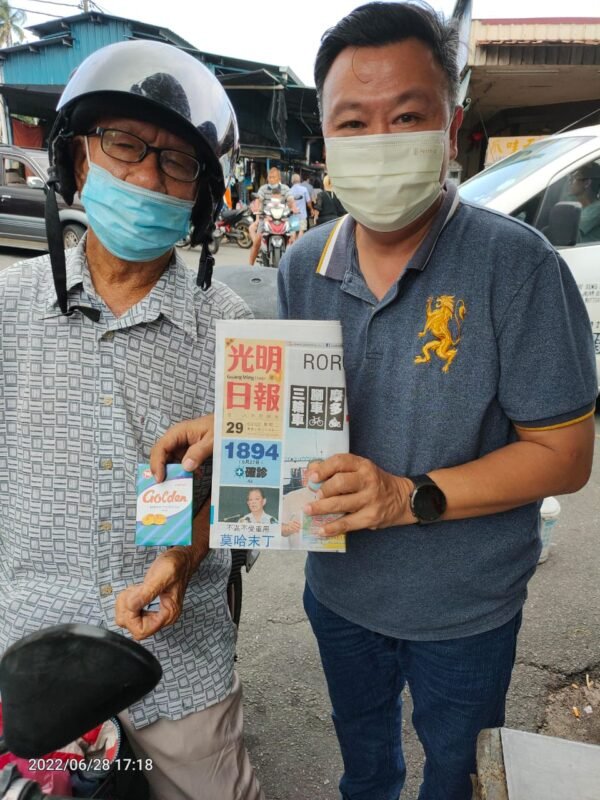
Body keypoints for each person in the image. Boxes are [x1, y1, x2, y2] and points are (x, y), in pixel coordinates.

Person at [150, 3, 597, 799]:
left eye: (408, 116)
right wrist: (241, 426)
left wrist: (406, 496)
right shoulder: (304, 262)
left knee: (456, 773)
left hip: (467, 611)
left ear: (450, 129)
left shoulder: (518, 266)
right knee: (364, 763)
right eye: (354, 122)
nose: (380, 140)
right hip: (341, 594)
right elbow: (301, 412)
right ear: (327, 142)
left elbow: (564, 456)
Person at [0, 39, 264, 800]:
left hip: (179, 667)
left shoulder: (234, 331)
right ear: (77, 160)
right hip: (28, 653)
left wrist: (181, 560)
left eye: (176, 162)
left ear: (199, 198)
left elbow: (258, 501)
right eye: (124, 144)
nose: (148, 176)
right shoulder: (7, 310)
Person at [248, 166, 295, 265]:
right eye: (269, 177)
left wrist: (293, 207)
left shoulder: (285, 188)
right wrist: (257, 209)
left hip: (283, 219)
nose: (271, 179)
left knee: (294, 240)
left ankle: (293, 265)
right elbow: (258, 199)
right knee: (257, 241)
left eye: (273, 177)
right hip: (265, 218)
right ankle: (250, 265)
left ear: (279, 178)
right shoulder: (263, 188)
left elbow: (290, 199)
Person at [281, 460, 323, 548]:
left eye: (322, 473)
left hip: (328, 548)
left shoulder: (337, 498)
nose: (318, 476)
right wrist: (288, 528)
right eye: (314, 472)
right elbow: (281, 530)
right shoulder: (291, 497)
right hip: (298, 551)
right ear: (306, 474)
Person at [567, 161, 600, 243]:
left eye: (574, 178)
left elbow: (567, 230)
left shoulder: (596, 209)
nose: (570, 182)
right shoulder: (579, 205)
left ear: (587, 183)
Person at [288, 172, 314, 239]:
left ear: (292, 181)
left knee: (293, 231)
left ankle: (293, 244)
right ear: (299, 180)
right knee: (301, 231)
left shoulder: (290, 191)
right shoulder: (304, 189)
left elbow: (288, 204)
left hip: (293, 215)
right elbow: (308, 202)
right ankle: (299, 244)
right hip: (302, 215)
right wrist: (311, 209)